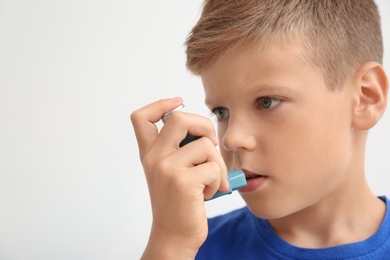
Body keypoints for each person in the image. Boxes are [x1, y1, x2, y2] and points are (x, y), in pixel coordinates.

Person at [131, 0, 390, 259]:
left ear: (366, 98)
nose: (231, 139)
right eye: (222, 112)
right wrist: (169, 243)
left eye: (267, 102)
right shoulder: (188, 248)